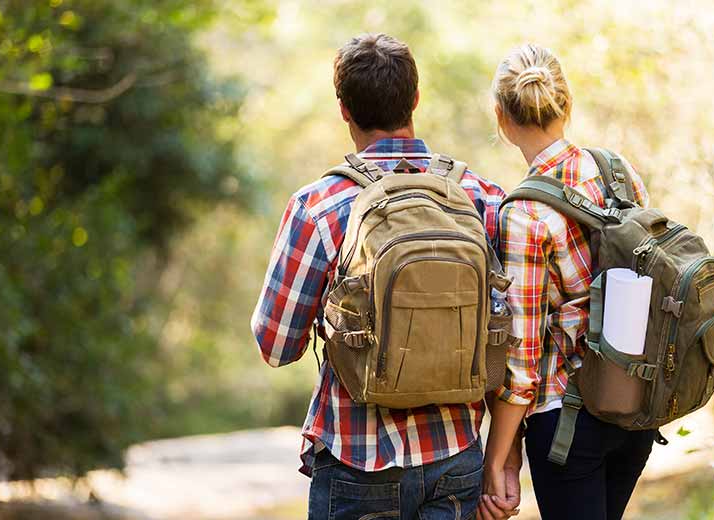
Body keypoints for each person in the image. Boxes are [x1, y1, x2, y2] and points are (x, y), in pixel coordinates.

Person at [251, 33, 508, 520]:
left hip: (355, 459)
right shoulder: (479, 198)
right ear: (416, 99)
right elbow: (506, 335)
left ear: (343, 109)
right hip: (455, 455)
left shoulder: (319, 207)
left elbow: (275, 345)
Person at [478, 44, 654, 520]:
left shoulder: (523, 214)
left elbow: (522, 358)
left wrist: (497, 460)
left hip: (568, 422)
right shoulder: (617, 172)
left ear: (501, 117)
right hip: (636, 408)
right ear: (567, 104)